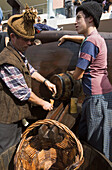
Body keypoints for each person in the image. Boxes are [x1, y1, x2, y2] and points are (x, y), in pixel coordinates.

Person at [58, 1, 112, 162]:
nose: (76, 22)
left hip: (96, 99)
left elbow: (77, 75)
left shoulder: (89, 42)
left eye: (79, 18)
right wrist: (68, 36)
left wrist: (66, 74)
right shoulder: (96, 38)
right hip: (103, 94)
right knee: (97, 135)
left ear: (90, 19)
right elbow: (85, 41)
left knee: (97, 142)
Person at [0, 6, 56, 154]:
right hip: (6, 119)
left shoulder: (18, 54)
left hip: (16, 116)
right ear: (13, 37)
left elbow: (29, 69)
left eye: (31, 40)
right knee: (7, 154)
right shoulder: (7, 61)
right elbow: (24, 93)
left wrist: (46, 81)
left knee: (16, 151)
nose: (30, 43)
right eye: (26, 40)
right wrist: (43, 103)